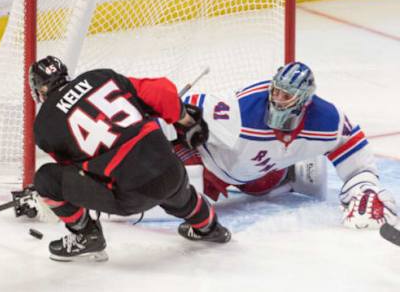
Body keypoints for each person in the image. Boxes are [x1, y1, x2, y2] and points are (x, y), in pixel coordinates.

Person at [27, 55, 231, 262]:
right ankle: (209, 226)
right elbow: (159, 92)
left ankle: (86, 235)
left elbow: (74, 170)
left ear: (39, 90)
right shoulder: (101, 76)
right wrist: (185, 119)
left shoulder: (43, 126)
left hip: (129, 196)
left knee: (46, 178)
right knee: (169, 181)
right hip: (172, 172)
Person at [162, 61, 397, 230]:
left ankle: (296, 170)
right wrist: (163, 116)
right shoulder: (242, 109)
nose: (276, 99)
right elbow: (184, 106)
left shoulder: (327, 119)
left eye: (286, 96)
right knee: (182, 191)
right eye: (275, 91)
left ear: (305, 99)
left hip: (251, 172)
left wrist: (365, 187)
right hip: (203, 160)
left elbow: (352, 147)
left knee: (265, 183)